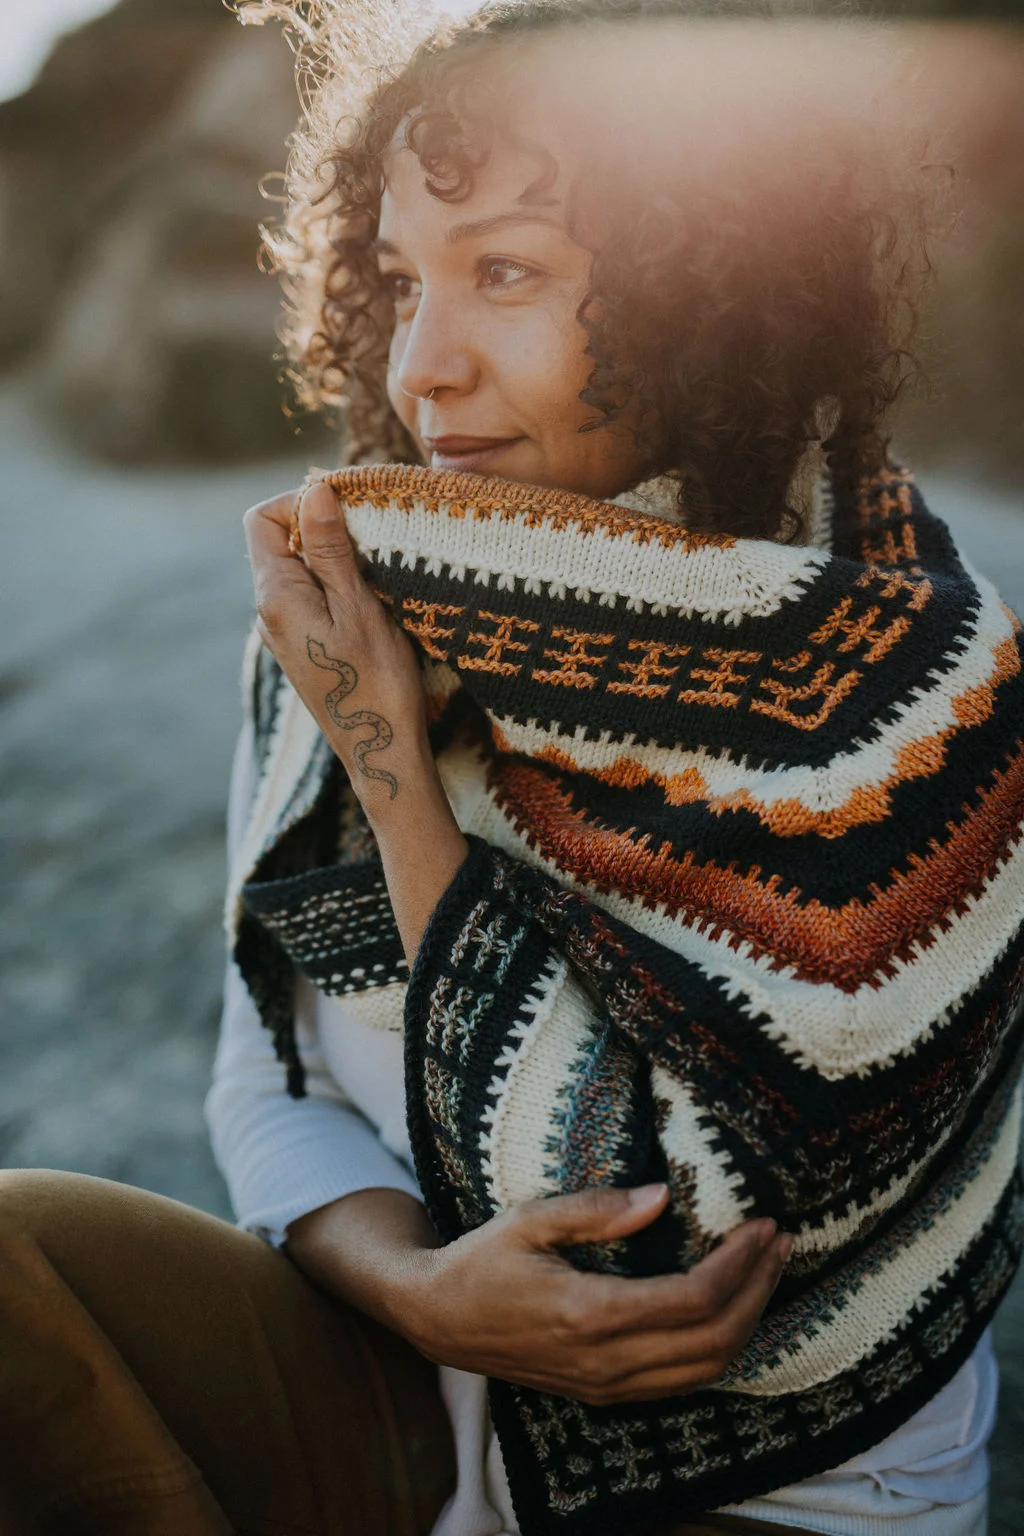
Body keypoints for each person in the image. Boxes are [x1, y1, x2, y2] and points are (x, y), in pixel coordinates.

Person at [0, 3, 1018, 1535]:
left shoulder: (901, 679)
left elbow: (652, 1247)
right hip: (416, 1405)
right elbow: (259, 1071)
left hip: (764, 1489)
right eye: (403, 279)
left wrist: (399, 782)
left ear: (709, 295)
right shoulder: (366, 594)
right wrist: (413, 1292)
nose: (425, 368)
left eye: (510, 274)